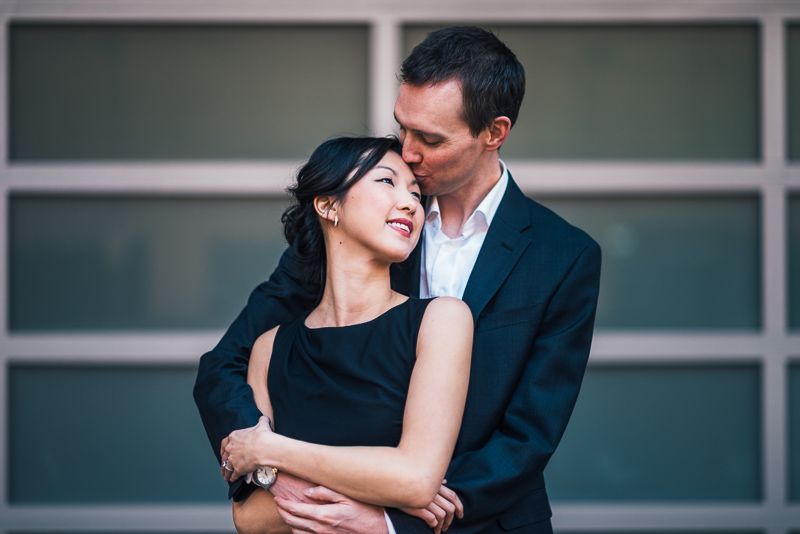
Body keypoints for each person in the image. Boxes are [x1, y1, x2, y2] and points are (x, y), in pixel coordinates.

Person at [194, 25, 601, 534]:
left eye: (429, 139)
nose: (406, 151)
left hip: (485, 523)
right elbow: (223, 364)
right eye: (402, 127)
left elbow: (529, 434)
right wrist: (267, 472)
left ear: (494, 133)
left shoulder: (564, 255)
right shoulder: (362, 220)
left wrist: (391, 519)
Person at [214, 135, 473, 534]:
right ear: (328, 204)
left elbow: (416, 480)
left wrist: (272, 450)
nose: (410, 203)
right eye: (387, 181)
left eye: (417, 194)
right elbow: (250, 518)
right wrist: (384, 485)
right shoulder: (270, 348)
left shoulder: (441, 320)